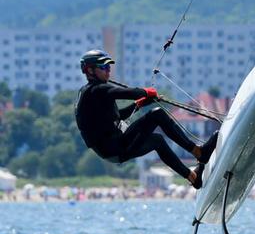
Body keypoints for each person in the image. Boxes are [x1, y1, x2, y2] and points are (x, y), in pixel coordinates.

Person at [74, 49, 218, 189]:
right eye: (104, 67)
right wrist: (146, 92)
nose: (108, 70)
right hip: (116, 146)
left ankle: (193, 177)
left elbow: (118, 116)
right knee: (157, 114)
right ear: (90, 71)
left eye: (109, 67)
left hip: (114, 150)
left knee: (157, 141)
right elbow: (126, 92)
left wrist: (139, 104)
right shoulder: (95, 90)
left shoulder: (94, 93)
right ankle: (198, 152)